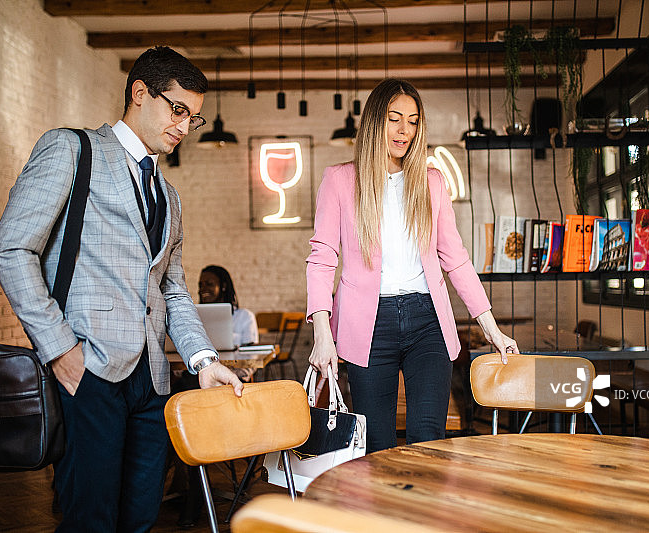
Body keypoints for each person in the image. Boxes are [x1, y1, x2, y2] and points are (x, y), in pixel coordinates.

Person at [0, 46, 243, 532]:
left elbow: (173, 292)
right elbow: (12, 249)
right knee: (92, 521)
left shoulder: (169, 196)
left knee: (141, 519)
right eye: (178, 110)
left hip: (151, 383)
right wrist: (61, 350)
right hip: (89, 372)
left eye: (193, 117)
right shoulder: (72, 149)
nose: (184, 126)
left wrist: (205, 361)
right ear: (140, 93)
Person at [306, 78, 519, 454]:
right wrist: (323, 334)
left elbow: (456, 259)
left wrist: (491, 327)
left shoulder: (432, 182)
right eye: (394, 118)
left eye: (413, 121)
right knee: (379, 448)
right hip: (368, 325)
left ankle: (423, 514)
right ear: (375, 122)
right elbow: (323, 257)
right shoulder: (340, 180)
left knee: (429, 441)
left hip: (427, 320)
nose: (404, 130)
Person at [173, 264, 258, 528]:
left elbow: (251, 361)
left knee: (189, 406)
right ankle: (189, 482)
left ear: (224, 285)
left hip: (229, 388)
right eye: (201, 283)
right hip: (197, 386)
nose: (203, 288)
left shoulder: (243, 317)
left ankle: (191, 489)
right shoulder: (191, 318)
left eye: (209, 283)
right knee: (183, 393)